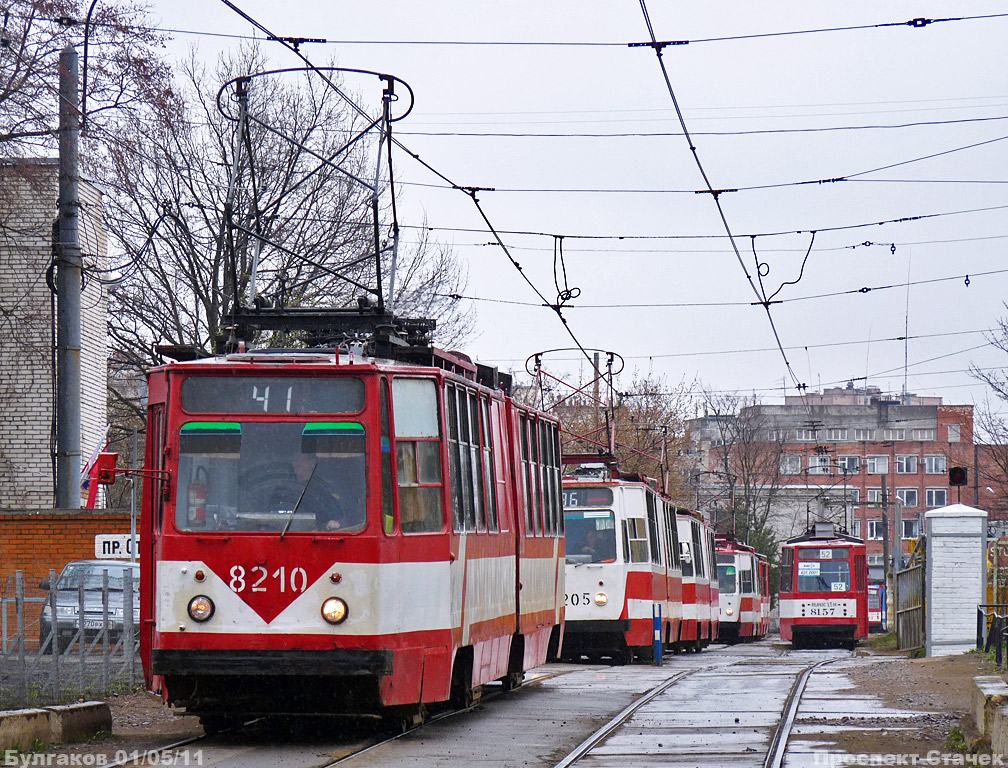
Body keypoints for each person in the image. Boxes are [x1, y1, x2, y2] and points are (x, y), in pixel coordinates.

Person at [288, 452, 346, 531]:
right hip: (285, 536)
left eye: (302, 459)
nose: (298, 463)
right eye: (295, 460)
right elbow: (271, 516)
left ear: (313, 463)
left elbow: (337, 517)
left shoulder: (324, 490)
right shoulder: (284, 489)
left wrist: (331, 523)